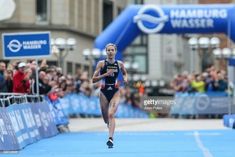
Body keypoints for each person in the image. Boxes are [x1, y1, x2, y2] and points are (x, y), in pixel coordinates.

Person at [92, 43, 128, 148]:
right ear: (106, 52)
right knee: (105, 118)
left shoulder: (120, 64)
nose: (110, 52)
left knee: (111, 114)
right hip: (103, 92)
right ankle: (109, 124)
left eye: (112, 50)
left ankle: (110, 139)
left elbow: (125, 73)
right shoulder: (101, 64)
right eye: (108, 50)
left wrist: (125, 79)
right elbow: (93, 79)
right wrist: (105, 74)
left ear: (115, 51)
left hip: (115, 91)